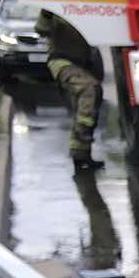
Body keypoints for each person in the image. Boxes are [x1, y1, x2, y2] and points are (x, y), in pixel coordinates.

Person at [35, 9, 104, 172]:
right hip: (61, 61)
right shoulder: (57, 9)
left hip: (83, 63)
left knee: (91, 100)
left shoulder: (85, 9)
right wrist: (47, 13)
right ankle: (79, 153)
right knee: (89, 90)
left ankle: (82, 154)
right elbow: (41, 29)